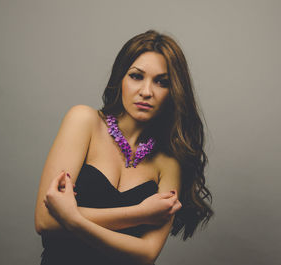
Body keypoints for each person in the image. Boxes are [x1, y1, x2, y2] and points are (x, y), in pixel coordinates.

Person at [34, 29, 213, 265]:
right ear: (120, 78)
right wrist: (141, 214)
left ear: (173, 92)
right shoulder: (84, 121)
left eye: (162, 82)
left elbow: (146, 254)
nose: (146, 92)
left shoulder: (169, 162)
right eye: (136, 76)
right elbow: (45, 221)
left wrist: (71, 218)